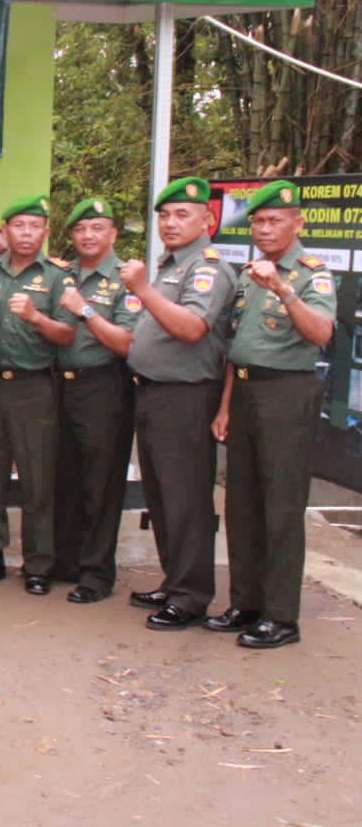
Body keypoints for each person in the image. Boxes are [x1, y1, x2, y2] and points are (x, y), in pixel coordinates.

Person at [208, 180, 336, 648]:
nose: (264, 229)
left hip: (286, 393)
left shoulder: (310, 274)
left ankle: (282, 616)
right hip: (243, 393)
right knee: (241, 504)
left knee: (280, 508)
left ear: (296, 222)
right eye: (258, 221)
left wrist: (283, 289)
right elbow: (236, 347)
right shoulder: (247, 274)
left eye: (274, 221)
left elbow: (320, 332)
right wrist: (225, 406)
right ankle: (246, 601)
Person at [122, 176, 235, 630]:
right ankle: (175, 581)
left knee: (185, 497)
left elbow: (191, 329)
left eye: (182, 214)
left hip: (186, 395)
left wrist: (141, 289)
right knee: (163, 497)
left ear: (206, 219)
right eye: (164, 215)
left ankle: (190, 597)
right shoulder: (171, 266)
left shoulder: (207, 268)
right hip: (154, 392)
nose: (170, 222)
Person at [0, 195, 78, 593]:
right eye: (19, 225)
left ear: (45, 233)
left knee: (38, 478)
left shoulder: (58, 277)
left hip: (35, 387)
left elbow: (68, 334)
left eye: (35, 227)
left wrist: (35, 316)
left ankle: (38, 564)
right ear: (5, 230)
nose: (27, 233)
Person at [52, 198, 138, 604]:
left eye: (98, 228)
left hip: (103, 385)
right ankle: (65, 560)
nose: (88, 236)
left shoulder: (126, 280)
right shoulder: (60, 274)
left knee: (100, 482)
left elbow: (127, 343)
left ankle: (97, 573)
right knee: (64, 476)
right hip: (56, 385)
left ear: (113, 234)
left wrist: (84, 310)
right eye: (81, 229)